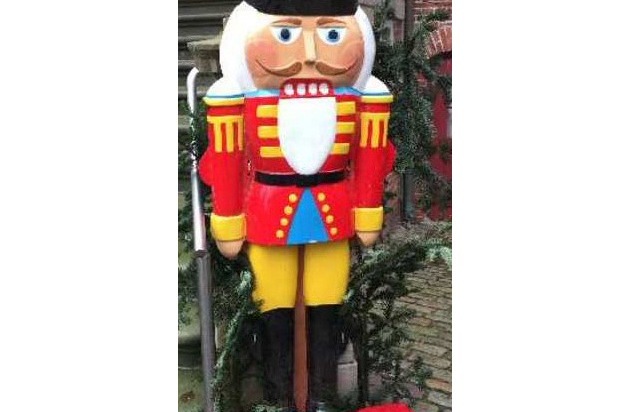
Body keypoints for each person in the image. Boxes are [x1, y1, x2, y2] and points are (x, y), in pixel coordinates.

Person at [198, 1, 395, 410]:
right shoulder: (238, 100)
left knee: (327, 306)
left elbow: (370, 155)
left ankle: (322, 398)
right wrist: (228, 219)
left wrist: (367, 211)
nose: (309, 55)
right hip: (269, 214)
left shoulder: (364, 98)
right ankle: (279, 399)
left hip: (333, 212)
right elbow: (227, 160)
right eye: (286, 34)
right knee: (274, 310)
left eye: (331, 35)